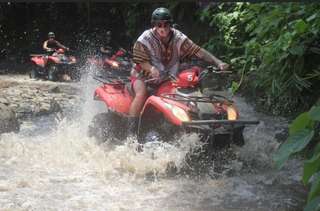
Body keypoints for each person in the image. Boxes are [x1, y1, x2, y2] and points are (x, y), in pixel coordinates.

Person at [128, 7, 230, 134]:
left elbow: (198, 51)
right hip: (142, 76)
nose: (163, 28)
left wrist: (218, 62)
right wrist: (151, 68)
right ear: (154, 25)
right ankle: (131, 133)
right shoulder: (145, 39)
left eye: (166, 24)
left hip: (166, 77)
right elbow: (140, 60)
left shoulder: (178, 37)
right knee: (141, 93)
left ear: (170, 24)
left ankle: (193, 127)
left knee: (183, 94)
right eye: (159, 24)